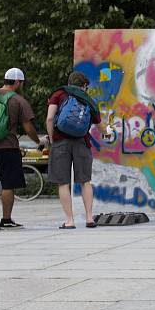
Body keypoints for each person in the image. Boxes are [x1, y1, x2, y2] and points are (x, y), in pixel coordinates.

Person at [0, 68, 43, 231]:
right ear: (18, 82)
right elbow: (28, 127)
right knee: (7, 184)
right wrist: (38, 141)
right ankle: (6, 220)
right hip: (8, 147)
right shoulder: (18, 100)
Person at [45, 71, 109, 229]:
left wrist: (52, 138)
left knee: (63, 183)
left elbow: (50, 118)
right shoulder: (88, 100)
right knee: (85, 181)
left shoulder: (58, 94)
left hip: (60, 142)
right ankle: (89, 218)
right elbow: (101, 128)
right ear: (84, 85)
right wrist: (108, 131)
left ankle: (69, 221)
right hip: (82, 142)